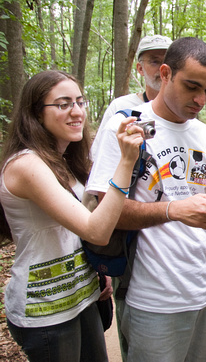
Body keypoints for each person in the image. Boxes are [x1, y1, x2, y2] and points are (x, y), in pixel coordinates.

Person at [86, 37, 206, 362]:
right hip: (153, 298)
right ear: (165, 74)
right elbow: (103, 215)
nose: (200, 99)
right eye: (192, 86)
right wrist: (172, 210)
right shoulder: (126, 126)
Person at [0, 70, 143, 361]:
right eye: (63, 104)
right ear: (36, 114)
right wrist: (126, 161)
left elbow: (75, 231)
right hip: (47, 308)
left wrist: (96, 269)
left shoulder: (65, 160)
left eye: (80, 101)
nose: (76, 111)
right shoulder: (26, 165)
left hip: (82, 296)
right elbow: (96, 230)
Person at [92, 33, 172, 362]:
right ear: (140, 67)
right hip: (132, 243)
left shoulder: (190, 111)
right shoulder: (121, 110)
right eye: (153, 60)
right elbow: (97, 178)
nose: (161, 68)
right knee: (137, 328)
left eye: (166, 60)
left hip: (178, 246)